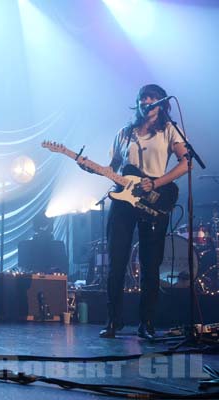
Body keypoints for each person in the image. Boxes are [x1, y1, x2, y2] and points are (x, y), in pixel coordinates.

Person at [79, 84, 189, 339]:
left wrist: (157, 182)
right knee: (116, 262)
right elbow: (113, 167)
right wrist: (91, 168)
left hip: (154, 199)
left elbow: (186, 163)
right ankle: (113, 321)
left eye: (151, 98)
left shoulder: (169, 130)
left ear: (161, 104)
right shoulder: (124, 133)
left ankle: (147, 323)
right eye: (142, 98)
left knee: (151, 265)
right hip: (123, 201)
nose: (146, 101)